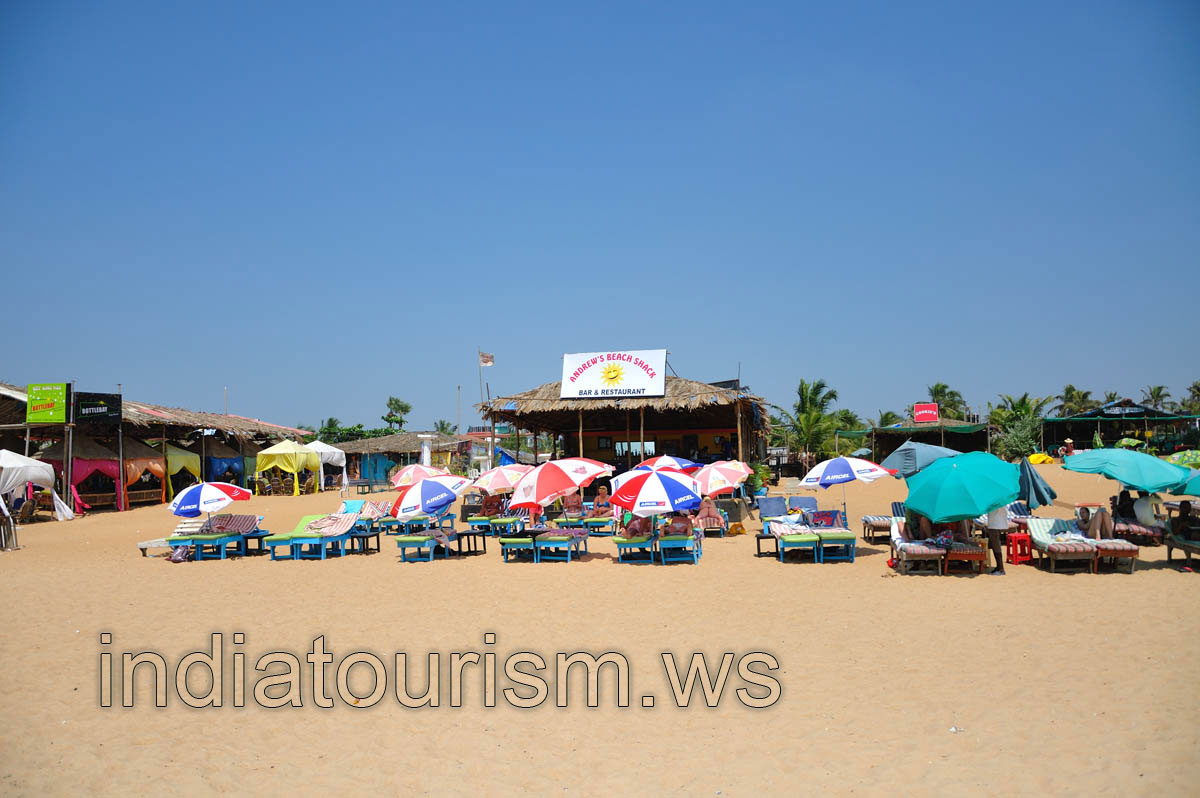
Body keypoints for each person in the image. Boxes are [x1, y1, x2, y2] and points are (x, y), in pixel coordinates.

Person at [985, 505, 1007, 575]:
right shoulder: (1002, 497)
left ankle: (1001, 569)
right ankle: (998, 567)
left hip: (995, 523)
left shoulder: (996, 498)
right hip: (996, 522)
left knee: (996, 545)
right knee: (995, 545)